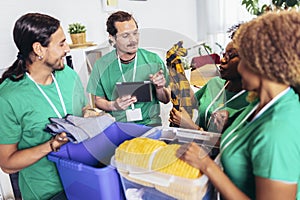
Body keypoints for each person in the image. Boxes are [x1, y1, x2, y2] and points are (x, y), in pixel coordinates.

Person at [177, 10, 300, 199]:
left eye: (242, 59)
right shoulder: (259, 103)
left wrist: (207, 166)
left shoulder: (278, 130)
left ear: (261, 63)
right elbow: (238, 143)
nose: (239, 68)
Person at [0, 13, 88, 199]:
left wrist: (91, 115)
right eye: (61, 43)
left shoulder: (69, 76)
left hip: (82, 181)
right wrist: (51, 145)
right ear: (39, 49)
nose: (67, 48)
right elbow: (7, 163)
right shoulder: (8, 97)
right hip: (45, 193)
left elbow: (82, 111)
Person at [87, 11, 171, 127]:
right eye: (126, 36)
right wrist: (113, 106)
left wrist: (160, 88)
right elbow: (98, 100)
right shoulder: (101, 65)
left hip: (150, 126)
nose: (133, 40)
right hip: (117, 127)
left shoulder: (153, 60)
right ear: (112, 38)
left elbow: (166, 99)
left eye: (135, 33)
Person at [169, 24, 249, 133]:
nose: (222, 60)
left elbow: (234, 144)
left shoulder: (250, 102)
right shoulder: (215, 83)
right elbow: (192, 101)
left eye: (230, 55)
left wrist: (191, 127)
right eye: (224, 54)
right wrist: (177, 72)